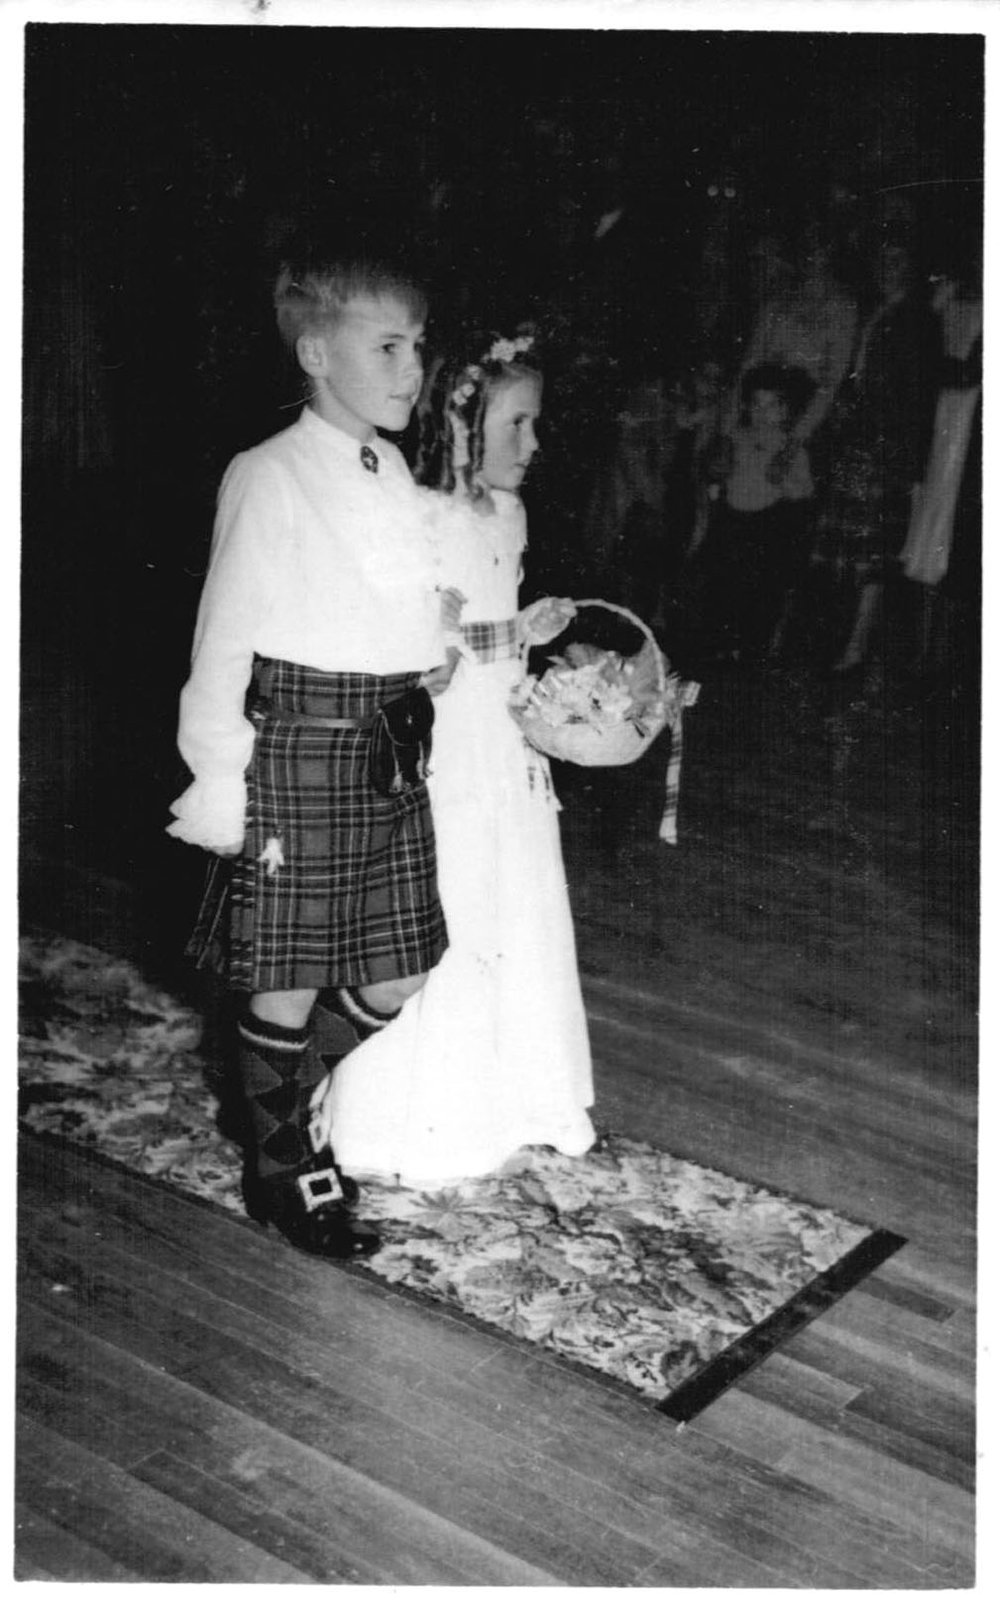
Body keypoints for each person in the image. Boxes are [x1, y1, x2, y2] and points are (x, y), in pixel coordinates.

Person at [167, 253, 462, 1259]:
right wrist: (216, 775)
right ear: (314, 354)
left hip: (387, 745)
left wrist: (429, 663)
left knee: (402, 966)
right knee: (286, 981)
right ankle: (286, 1169)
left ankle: (268, 1106)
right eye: (387, 346)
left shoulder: (388, 466)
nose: (411, 366)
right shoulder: (269, 472)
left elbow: (388, 608)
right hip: (298, 749)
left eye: (416, 346)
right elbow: (223, 641)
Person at [313, 331, 596, 1185]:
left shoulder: (507, 513)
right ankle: (408, 1121)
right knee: (449, 905)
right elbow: (421, 649)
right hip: (443, 743)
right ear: (462, 424)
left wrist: (539, 650)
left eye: (537, 425)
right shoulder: (419, 514)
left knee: (510, 902)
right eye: (517, 424)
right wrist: (495, 631)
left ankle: (511, 1099)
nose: (534, 444)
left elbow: (497, 633)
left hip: (504, 737)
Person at [693, 363, 817, 671]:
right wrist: (716, 474)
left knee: (760, 592)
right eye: (756, 405)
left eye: (773, 406)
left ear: (788, 411)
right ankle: (720, 644)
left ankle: (752, 650)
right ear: (746, 405)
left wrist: (784, 479)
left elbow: (804, 491)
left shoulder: (792, 447)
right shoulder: (737, 435)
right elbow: (716, 472)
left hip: (767, 525)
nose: (762, 414)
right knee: (722, 585)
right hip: (732, 519)